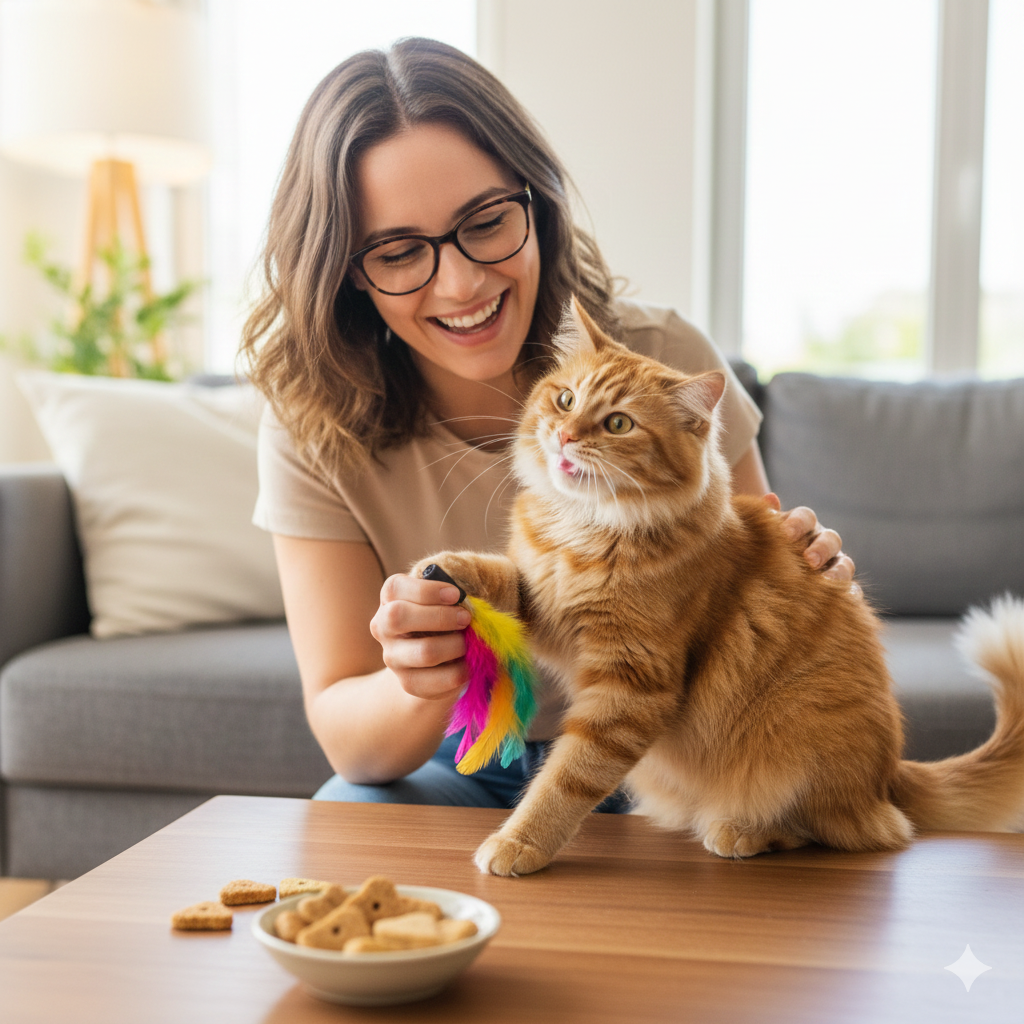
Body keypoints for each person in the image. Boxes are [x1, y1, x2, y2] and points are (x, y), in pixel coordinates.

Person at [242, 38, 853, 810]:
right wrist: (421, 678)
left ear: (537, 203)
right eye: (398, 252)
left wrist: (798, 587)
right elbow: (351, 743)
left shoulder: (663, 360)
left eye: (487, 220)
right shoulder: (313, 422)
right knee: (343, 816)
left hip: (665, 755)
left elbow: (739, 595)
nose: (462, 283)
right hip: (460, 758)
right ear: (347, 274)